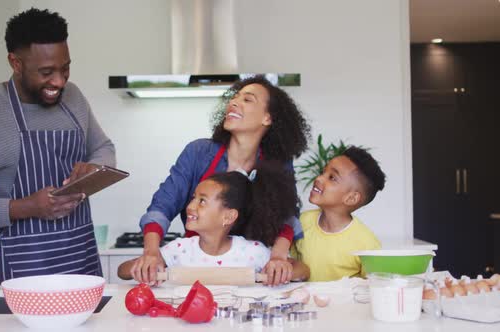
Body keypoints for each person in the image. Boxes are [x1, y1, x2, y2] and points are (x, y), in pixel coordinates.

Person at [0, 8, 116, 284]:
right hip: (21, 280)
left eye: (65, 68)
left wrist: (94, 170)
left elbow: (104, 148)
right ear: (15, 63)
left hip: (83, 271)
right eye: (46, 72)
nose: (59, 81)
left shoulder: (74, 98)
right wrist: (26, 207)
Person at [133, 76, 311, 285]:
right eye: (234, 97)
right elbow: (162, 204)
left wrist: (278, 257)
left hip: (252, 271)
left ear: (267, 118)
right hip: (197, 266)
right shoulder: (199, 152)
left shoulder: (279, 163)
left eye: (248, 99)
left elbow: (287, 215)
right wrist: (152, 253)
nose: (233, 102)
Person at [119, 162, 310, 282]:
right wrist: (143, 266)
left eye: (202, 201)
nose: (190, 206)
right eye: (193, 198)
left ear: (228, 217)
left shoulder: (252, 252)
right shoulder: (180, 250)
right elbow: (122, 271)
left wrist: (282, 269)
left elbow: (303, 271)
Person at [290, 146, 386, 282]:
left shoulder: (367, 244)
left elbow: (374, 287)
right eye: (323, 172)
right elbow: (290, 262)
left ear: (351, 198)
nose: (319, 178)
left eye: (332, 178)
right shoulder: (302, 221)